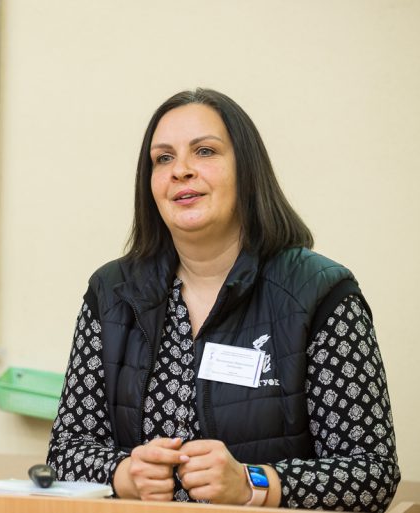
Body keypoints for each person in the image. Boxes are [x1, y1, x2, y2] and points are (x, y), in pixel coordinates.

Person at [46, 88, 400, 510]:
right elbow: (65, 452)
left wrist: (254, 483)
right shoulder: (112, 293)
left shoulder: (319, 292)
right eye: (163, 158)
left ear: (246, 169)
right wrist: (124, 475)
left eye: (205, 151)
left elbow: (372, 471)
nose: (181, 170)